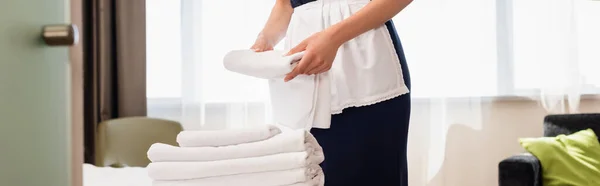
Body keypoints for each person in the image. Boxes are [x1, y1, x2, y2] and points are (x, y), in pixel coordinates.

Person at [251, 0, 413, 185]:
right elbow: (285, 4)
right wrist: (265, 38)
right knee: (315, 171)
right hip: (305, 69)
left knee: (373, 170)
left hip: (365, 62)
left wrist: (333, 38)